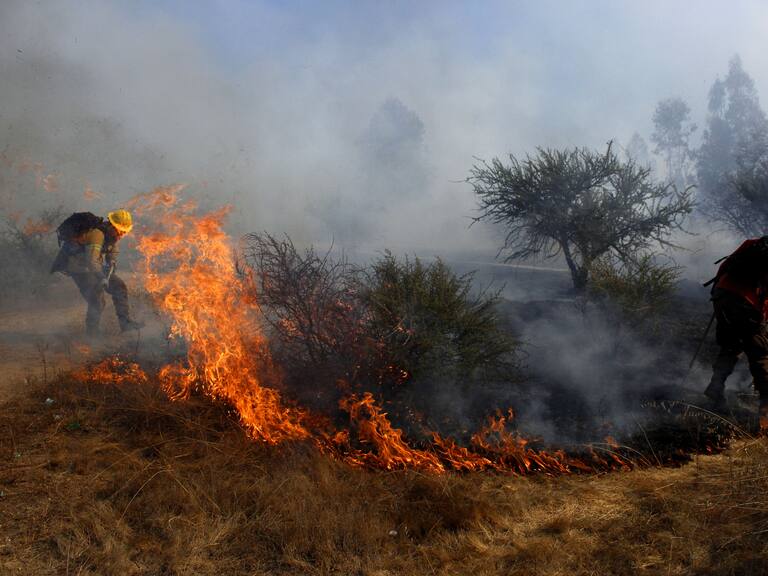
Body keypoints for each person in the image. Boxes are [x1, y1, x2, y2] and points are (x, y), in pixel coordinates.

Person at [703, 236, 768, 432]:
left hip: (722, 294)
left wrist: (717, 292)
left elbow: (726, 265)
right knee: (760, 353)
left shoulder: (754, 242)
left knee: (731, 344)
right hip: (747, 303)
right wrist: (763, 320)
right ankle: (766, 410)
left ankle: (715, 389)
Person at [51, 209, 143, 335]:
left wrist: (112, 261)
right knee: (97, 299)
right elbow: (92, 260)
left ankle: (125, 324)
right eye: (120, 230)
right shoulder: (97, 235)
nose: (122, 234)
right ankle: (92, 334)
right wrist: (101, 277)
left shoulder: (111, 236)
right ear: (111, 225)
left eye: (124, 232)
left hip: (94, 267)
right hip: (80, 269)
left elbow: (112, 250)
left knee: (119, 287)